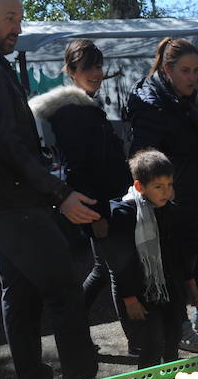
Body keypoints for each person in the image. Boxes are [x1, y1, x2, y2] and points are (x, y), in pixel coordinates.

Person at [0, 0, 98, 379]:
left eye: (20, 18)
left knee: (21, 293)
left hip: (1, 201)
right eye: (10, 18)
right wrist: (59, 193)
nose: (18, 27)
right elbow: (7, 145)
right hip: (12, 201)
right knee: (64, 292)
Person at [29, 39, 140, 357]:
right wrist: (99, 216)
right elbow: (79, 169)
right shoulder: (73, 112)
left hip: (106, 201)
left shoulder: (85, 105)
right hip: (97, 205)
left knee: (103, 269)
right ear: (71, 71)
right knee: (119, 269)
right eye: (87, 67)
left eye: (98, 66)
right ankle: (137, 341)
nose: (95, 72)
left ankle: (72, 332)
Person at [126, 37, 198, 354]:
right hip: (169, 197)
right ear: (168, 69)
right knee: (177, 263)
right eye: (185, 70)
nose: (192, 77)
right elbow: (144, 156)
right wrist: (161, 195)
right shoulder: (151, 102)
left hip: (193, 189)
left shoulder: (181, 96)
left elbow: (185, 140)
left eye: (196, 71)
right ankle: (181, 325)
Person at [104, 149, 197, 368]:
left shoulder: (170, 210)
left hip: (169, 287)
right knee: (152, 343)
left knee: (173, 335)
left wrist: (190, 282)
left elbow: (179, 252)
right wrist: (129, 299)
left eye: (170, 185)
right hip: (140, 292)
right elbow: (119, 262)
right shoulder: (124, 214)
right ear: (140, 186)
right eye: (158, 187)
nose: (166, 192)